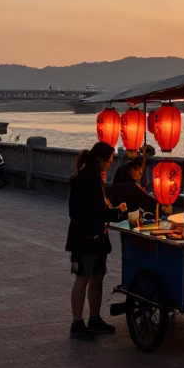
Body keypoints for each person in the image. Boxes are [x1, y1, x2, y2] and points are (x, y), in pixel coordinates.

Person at [67, 141, 127, 341]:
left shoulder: (93, 178)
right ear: (99, 160)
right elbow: (94, 212)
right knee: (82, 277)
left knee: (97, 276)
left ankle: (94, 318)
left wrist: (112, 210)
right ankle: (77, 322)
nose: (110, 165)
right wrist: (117, 213)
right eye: (109, 161)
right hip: (85, 238)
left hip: (96, 237)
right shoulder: (86, 180)